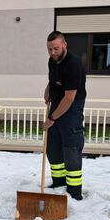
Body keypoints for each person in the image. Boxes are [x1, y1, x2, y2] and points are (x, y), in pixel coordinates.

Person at [43, 31, 86, 200]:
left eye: (56, 48)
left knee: (71, 150)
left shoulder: (74, 64)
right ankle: (58, 183)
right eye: (49, 49)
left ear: (64, 45)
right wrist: (48, 91)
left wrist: (51, 119)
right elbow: (52, 80)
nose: (52, 52)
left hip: (71, 110)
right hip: (56, 105)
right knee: (53, 149)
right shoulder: (52, 61)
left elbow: (69, 98)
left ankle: (74, 193)